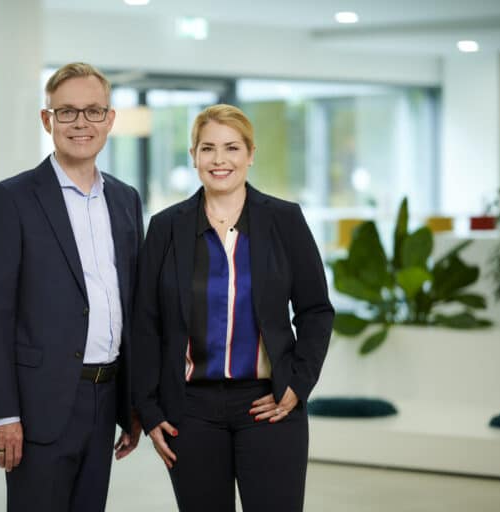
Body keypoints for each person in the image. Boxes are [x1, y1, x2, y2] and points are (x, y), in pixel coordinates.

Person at [132, 104, 334, 511]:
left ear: (250, 153)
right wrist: (149, 410)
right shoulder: (166, 227)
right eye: (207, 149)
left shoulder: (285, 220)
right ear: (193, 156)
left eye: (231, 148)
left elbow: (315, 311)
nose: (219, 160)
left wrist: (297, 385)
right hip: (189, 412)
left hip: (270, 404)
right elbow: (145, 323)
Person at [0, 62, 143, 512]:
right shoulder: (10, 199)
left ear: (110, 119)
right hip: (38, 403)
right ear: (47, 120)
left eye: (92, 111)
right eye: (67, 112)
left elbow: (133, 304)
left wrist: (134, 401)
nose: (80, 123)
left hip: (107, 396)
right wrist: (3, 413)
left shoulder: (125, 200)